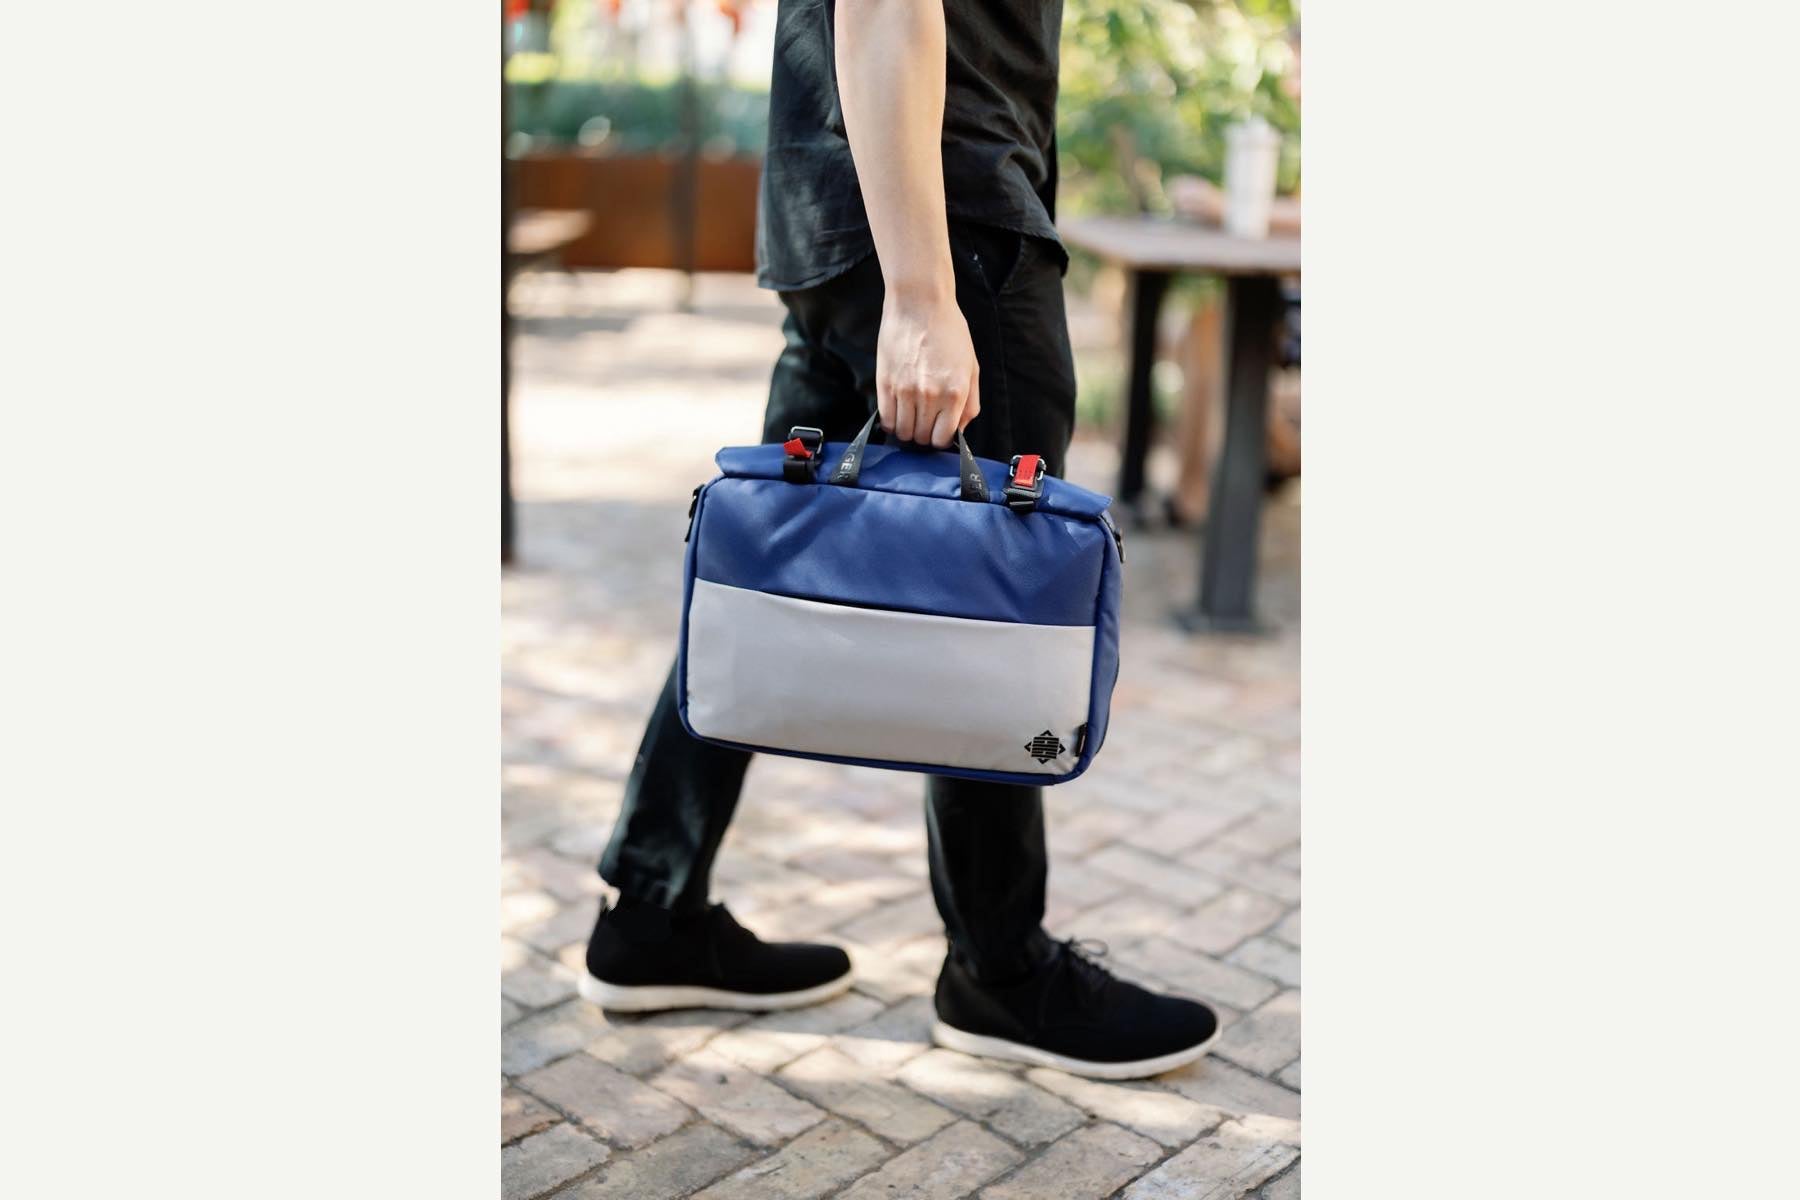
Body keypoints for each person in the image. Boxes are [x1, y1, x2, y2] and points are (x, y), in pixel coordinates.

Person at [581, 0, 1220, 1079]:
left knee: (767, 574)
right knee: (992, 596)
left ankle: (651, 907)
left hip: (850, 208)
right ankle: (1000, 972)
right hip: (942, 221)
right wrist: (924, 297)